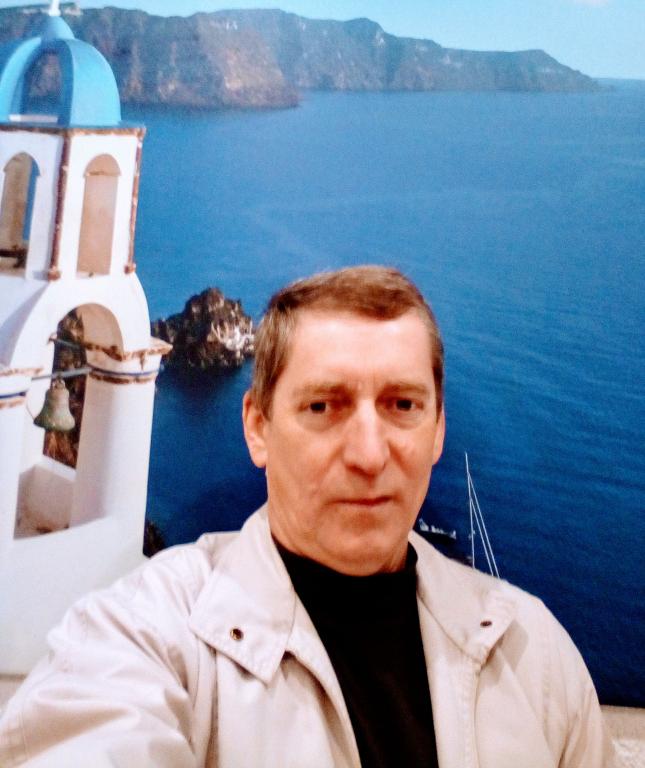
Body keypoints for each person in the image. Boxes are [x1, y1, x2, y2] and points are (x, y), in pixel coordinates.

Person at [0, 266, 613, 767]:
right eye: (323, 406)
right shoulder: (146, 634)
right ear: (257, 427)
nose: (369, 455)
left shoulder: (533, 652)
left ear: (438, 431)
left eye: (403, 405)